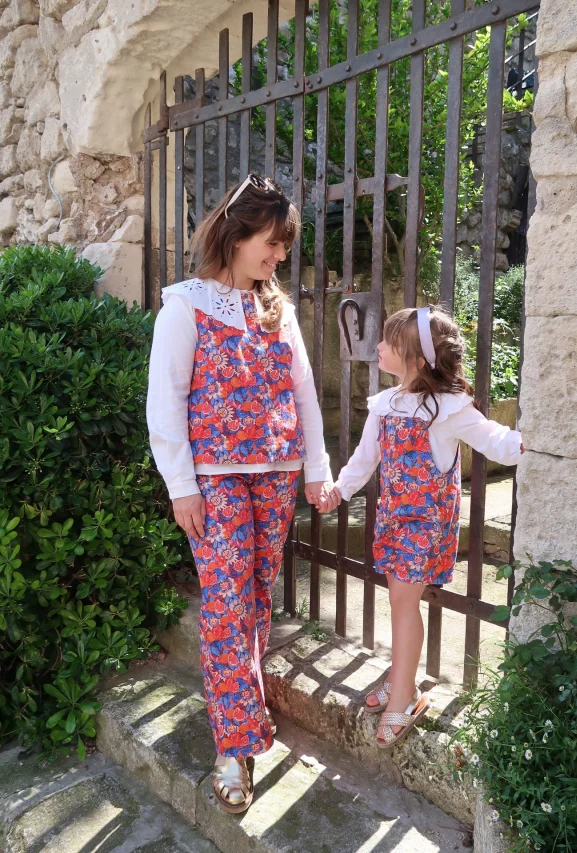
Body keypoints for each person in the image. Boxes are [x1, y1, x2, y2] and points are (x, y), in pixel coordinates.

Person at [147, 174, 333, 813]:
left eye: (284, 246)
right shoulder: (184, 305)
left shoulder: (278, 310)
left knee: (253, 600)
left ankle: (243, 717)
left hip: (276, 474)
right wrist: (182, 487)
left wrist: (316, 466)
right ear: (235, 234)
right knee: (227, 606)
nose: (279, 256)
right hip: (215, 479)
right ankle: (234, 745)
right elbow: (165, 403)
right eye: (271, 243)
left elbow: (303, 392)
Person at [319, 306, 523, 748]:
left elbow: (493, 438)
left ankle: (404, 697)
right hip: (393, 517)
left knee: (403, 602)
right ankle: (401, 678)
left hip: (426, 523)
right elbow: (365, 458)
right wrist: (340, 490)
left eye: (389, 341)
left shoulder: (448, 407)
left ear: (416, 358)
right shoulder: (385, 404)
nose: (378, 347)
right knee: (398, 601)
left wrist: (529, 442)